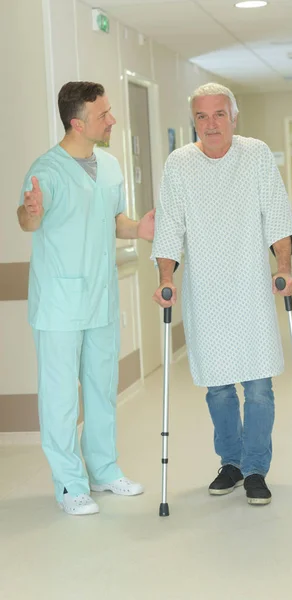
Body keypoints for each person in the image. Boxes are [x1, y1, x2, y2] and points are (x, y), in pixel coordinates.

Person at [151, 83, 292, 506]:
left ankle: (255, 469)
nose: (211, 124)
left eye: (219, 114)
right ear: (193, 121)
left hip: (250, 286)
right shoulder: (179, 163)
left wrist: (283, 267)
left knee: (258, 389)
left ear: (234, 117)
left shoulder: (255, 155)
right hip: (205, 292)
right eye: (202, 116)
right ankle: (230, 462)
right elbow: (169, 227)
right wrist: (166, 275)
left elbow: (277, 215)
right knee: (217, 387)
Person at [17, 81, 155, 515]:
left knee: (101, 391)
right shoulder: (47, 170)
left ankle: (103, 470)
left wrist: (142, 228)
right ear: (77, 122)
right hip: (59, 303)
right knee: (60, 398)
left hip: (100, 299)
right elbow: (28, 219)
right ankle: (69, 486)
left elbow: (113, 221)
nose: (112, 120)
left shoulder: (111, 166)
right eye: (103, 115)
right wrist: (31, 211)